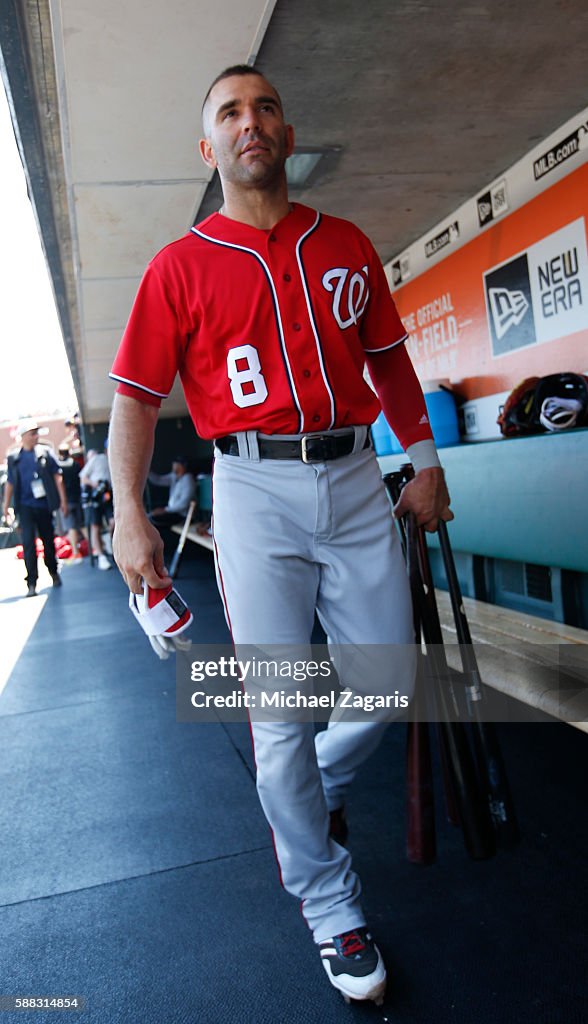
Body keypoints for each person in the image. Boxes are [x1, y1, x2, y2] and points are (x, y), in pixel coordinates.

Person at [108, 65, 453, 1005]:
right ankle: (329, 905)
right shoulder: (178, 265)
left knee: (382, 684)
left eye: (263, 108)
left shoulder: (344, 243)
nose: (248, 122)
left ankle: (304, 793)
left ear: (286, 135)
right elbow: (135, 395)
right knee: (278, 714)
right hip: (253, 482)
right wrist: (128, 510)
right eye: (229, 112)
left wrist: (423, 457)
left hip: (352, 473)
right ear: (208, 148)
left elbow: (387, 358)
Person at [3, 418, 68, 596]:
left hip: (44, 506)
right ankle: (31, 582)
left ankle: (54, 572)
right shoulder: (14, 459)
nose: (35, 436)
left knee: (48, 541)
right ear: (23, 437)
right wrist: (6, 507)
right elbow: (9, 483)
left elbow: (57, 477)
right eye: (32, 434)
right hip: (24, 507)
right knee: (28, 544)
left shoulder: (45, 453)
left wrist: (63, 501)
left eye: (36, 433)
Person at [80, 443, 114, 570]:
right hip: (94, 497)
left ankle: (112, 546)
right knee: (95, 526)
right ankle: (101, 556)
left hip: (108, 495)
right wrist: (95, 484)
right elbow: (83, 477)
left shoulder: (116, 460)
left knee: (113, 522)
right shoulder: (98, 459)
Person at [147, 455, 197, 528]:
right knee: (150, 517)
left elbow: (183, 504)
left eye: (175, 464)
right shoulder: (174, 476)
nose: (173, 466)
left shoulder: (188, 479)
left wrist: (165, 510)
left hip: (183, 516)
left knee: (153, 520)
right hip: (172, 512)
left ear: (181, 466)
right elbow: (158, 480)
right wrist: (147, 470)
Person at [57, 445, 84, 558]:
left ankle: (75, 552)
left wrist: (62, 501)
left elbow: (60, 483)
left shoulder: (59, 466)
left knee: (71, 526)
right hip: (77, 498)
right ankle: (96, 548)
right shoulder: (75, 464)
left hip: (66, 500)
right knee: (82, 525)